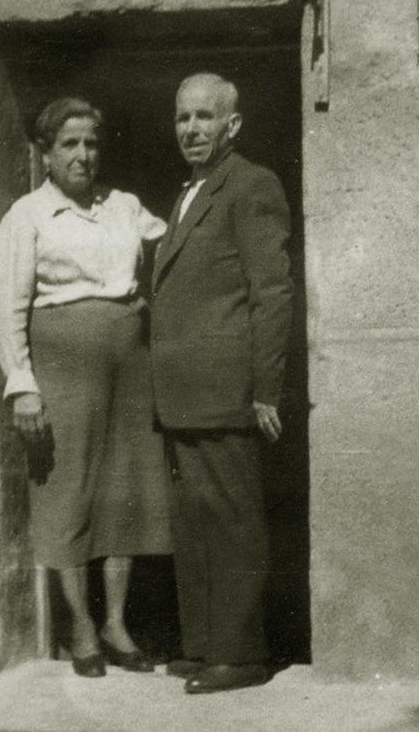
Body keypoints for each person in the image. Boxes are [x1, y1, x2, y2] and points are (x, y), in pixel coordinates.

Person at [0, 97, 171, 678]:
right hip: (62, 362)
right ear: (46, 154)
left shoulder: (122, 206)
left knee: (124, 492)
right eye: (69, 144)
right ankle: (81, 626)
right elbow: (9, 307)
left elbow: (175, 246)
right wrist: (22, 385)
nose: (83, 155)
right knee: (68, 489)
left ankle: (118, 623)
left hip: (129, 363)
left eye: (91, 143)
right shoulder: (27, 216)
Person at [149, 73, 293, 694]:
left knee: (233, 523)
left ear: (232, 126)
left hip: (228, 392)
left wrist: (264, 387)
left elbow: (273, 291)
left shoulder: (252, 185)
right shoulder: (191, 191)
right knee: (196, 523)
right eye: (183, 118)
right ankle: (206, 646)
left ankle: (241, 655)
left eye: (204, 118)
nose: (191, 130)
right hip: (183, 396)